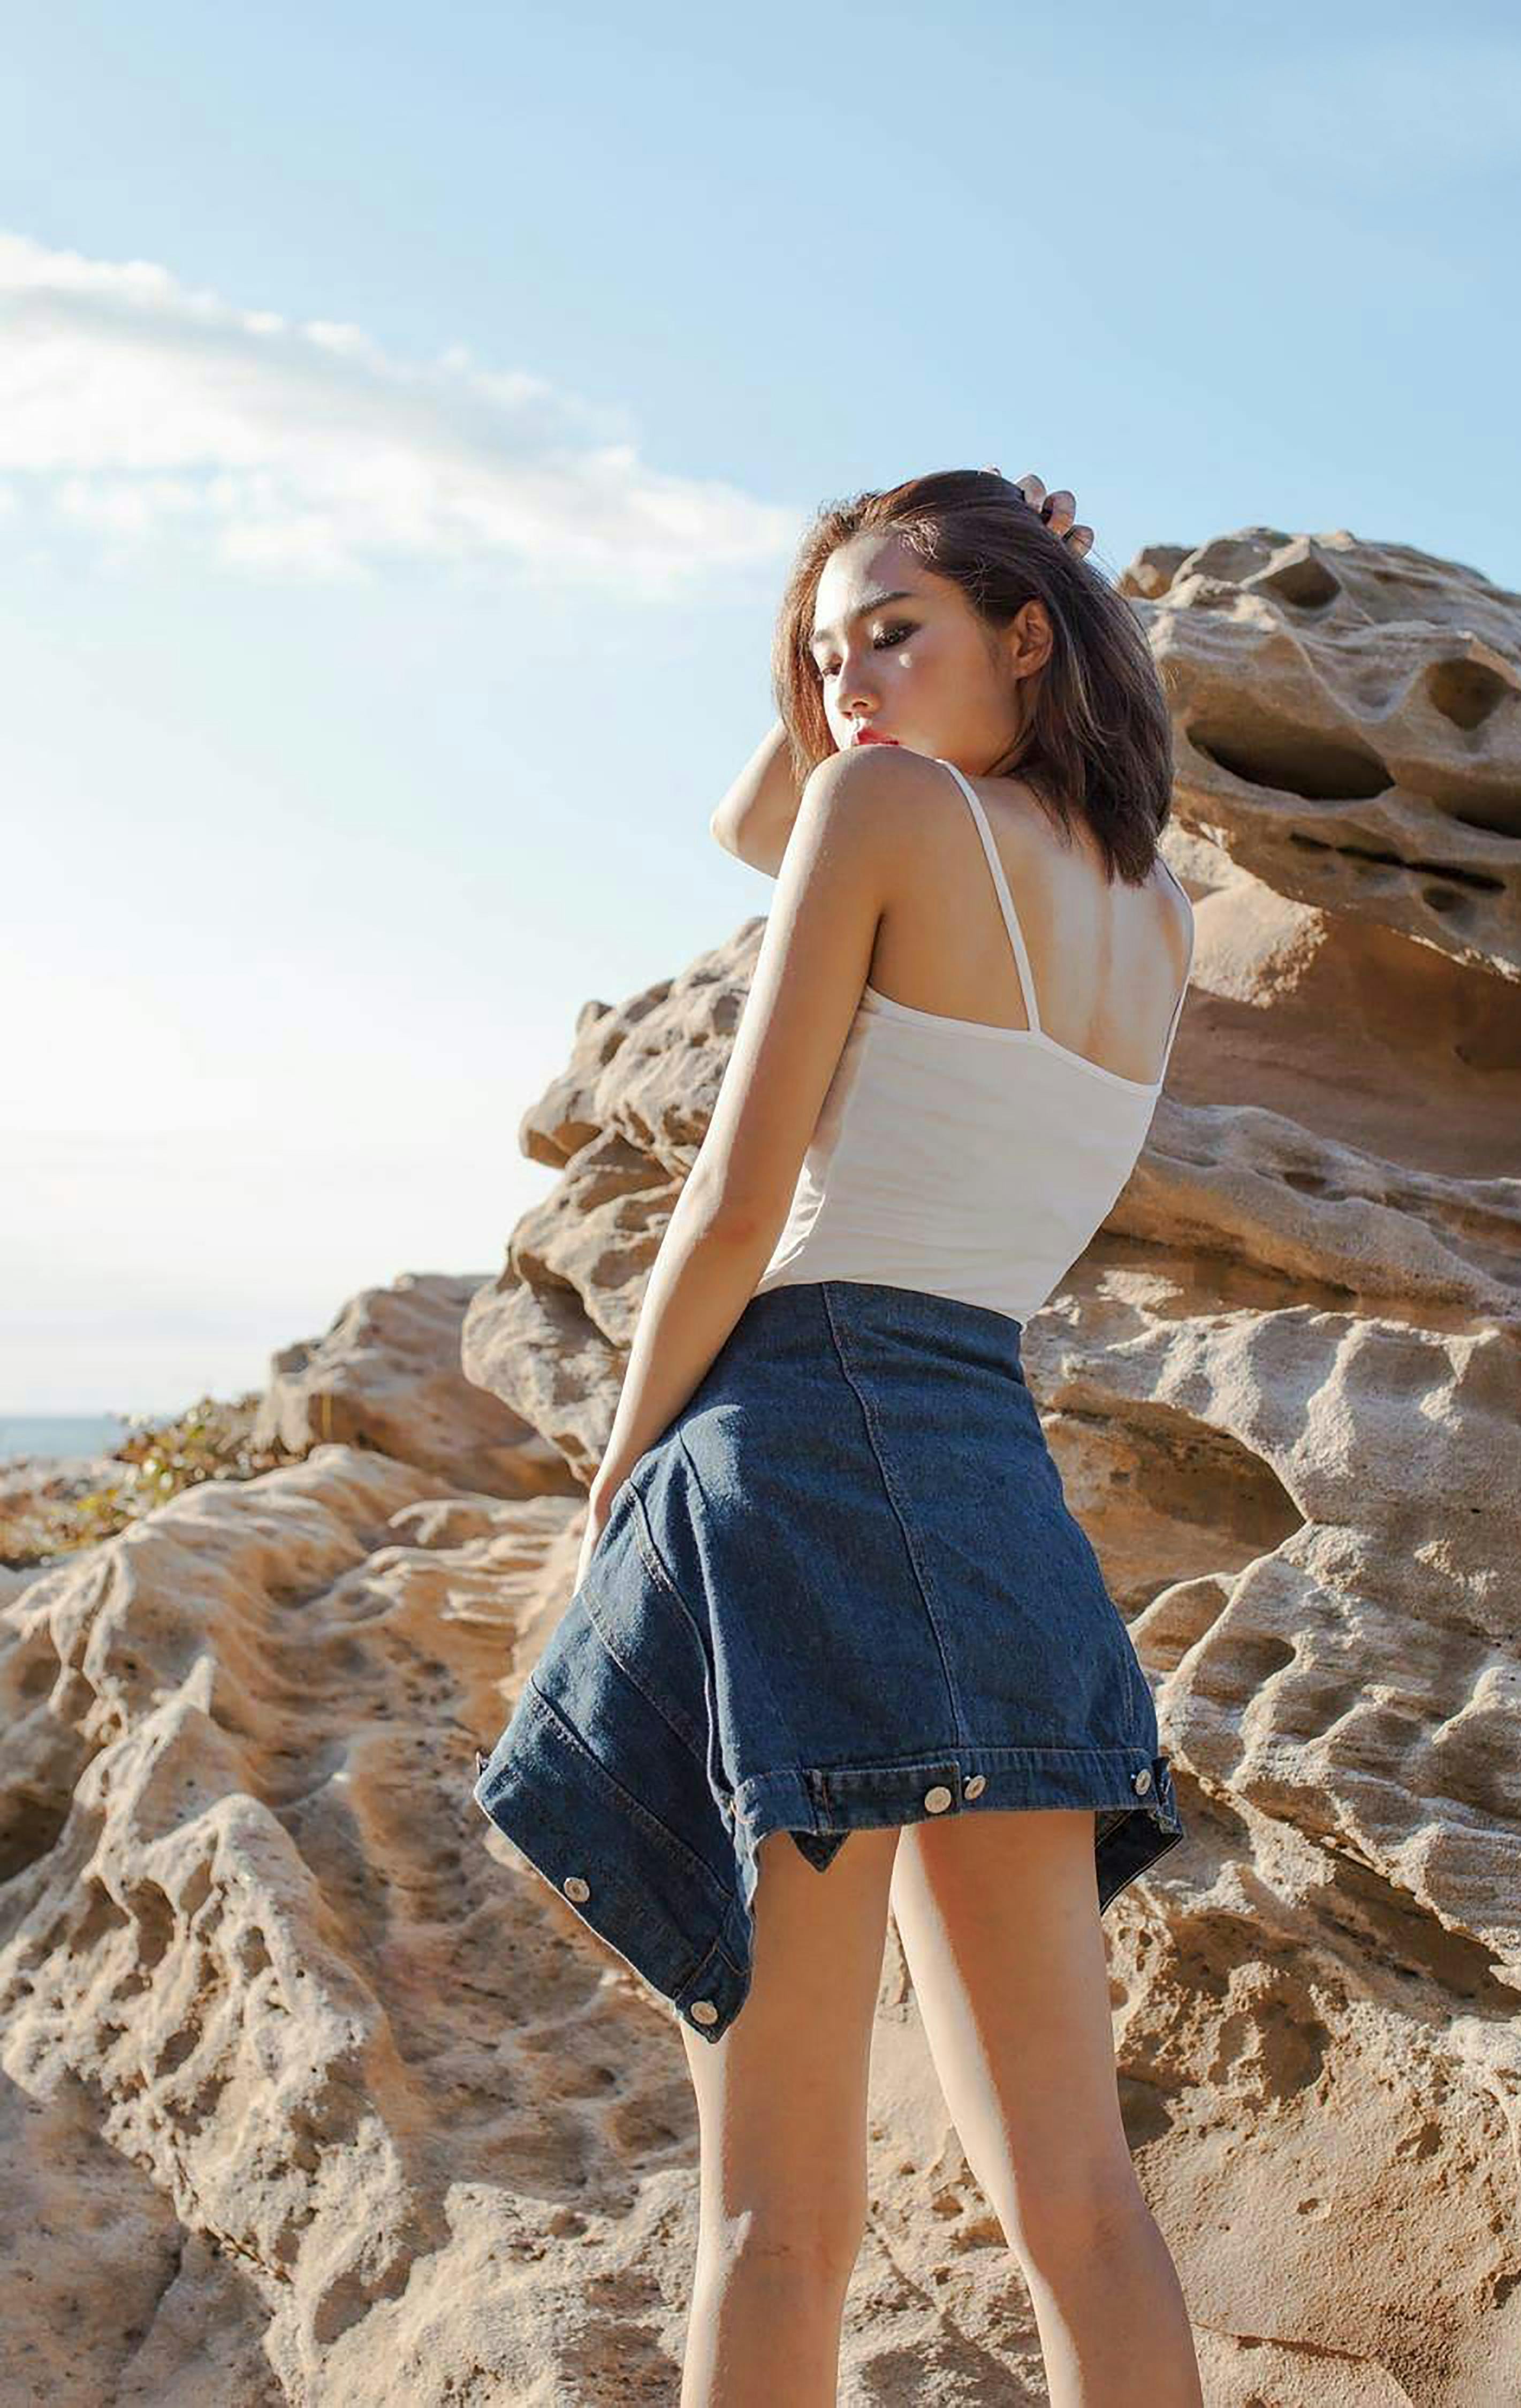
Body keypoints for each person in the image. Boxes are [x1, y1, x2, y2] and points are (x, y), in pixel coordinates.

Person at [475, 467, 1204, 2406]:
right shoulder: (1157, 905)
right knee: (1083, 2204)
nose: (852, 688)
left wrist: (613, 1480)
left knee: (773, 2220)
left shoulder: (882, 811)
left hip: (802, 1441)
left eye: (900, 632)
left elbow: (732, 1197)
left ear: (1026, 637)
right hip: (991, 1472)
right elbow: (762, 808)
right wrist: (863, 615)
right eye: (825, 656)